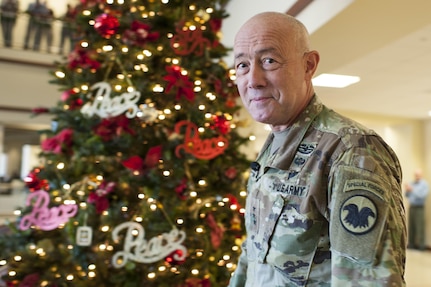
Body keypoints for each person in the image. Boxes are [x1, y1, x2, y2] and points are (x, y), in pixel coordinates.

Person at [229, 12, 406, 286]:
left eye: (269, 61)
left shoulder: (351, 151)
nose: (253, 80)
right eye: (241, 65)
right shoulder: (273, 146)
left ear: (308, 65)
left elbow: (367, 280)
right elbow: (254, 253)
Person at [405, 169, 429, 250]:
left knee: (420, 227)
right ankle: (411, 245)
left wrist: (412, 190)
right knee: (411, 226)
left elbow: (422, 196)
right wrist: (407, 190)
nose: (417, 176)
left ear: (421, 175)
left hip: (420, 208)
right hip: (412, 207)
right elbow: (407, 195)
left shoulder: (424, 185)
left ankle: (421, 246)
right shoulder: (412, 183)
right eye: (416, 175)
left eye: (418, 175)